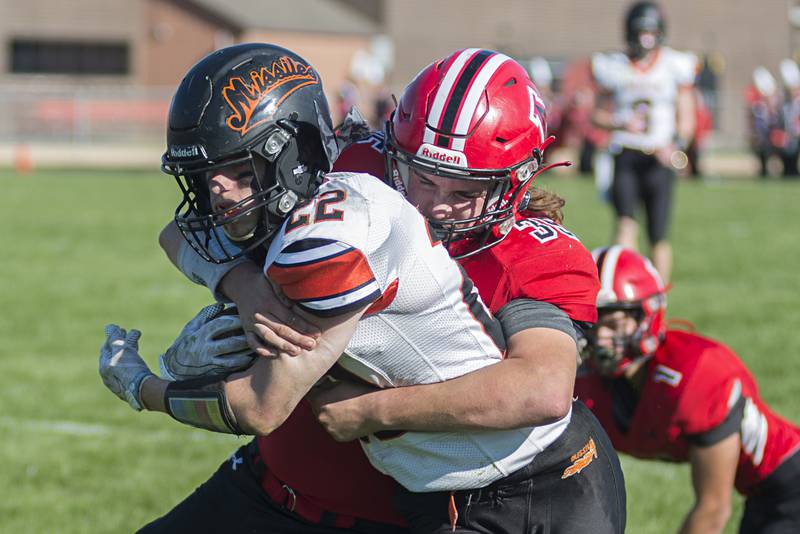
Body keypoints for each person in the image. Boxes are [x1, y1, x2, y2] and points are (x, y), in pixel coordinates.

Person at [103, 45, 625, 533]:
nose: (432, 202)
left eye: (463, 191)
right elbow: (184, 231)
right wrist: (247, 290)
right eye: (419, 174)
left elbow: (541, 388)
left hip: (448, 498)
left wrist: (372, 410)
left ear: (516, 179)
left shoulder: (537, 253)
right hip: (276, 477)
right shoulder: (356, 170)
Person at [575, 245, 800, 534]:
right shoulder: (588, 384)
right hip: (760, 493)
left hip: (788, 482)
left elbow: (713, 508)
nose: (600, 338)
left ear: (647, 315)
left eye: (613, 323)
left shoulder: (697, 374)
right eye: (592, 323)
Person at [591, 1, 696, 283]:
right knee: (625, 224)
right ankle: (626, 289)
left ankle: (657, 302)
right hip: (626, 152)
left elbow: (687, 117)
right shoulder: (613, 66)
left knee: (658, 234)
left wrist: (676, 147)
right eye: (640, 32)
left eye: (650, 32)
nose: (645, 39)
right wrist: (618, 123)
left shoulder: (674, 65)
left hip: (659, 156)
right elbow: (597, 115)